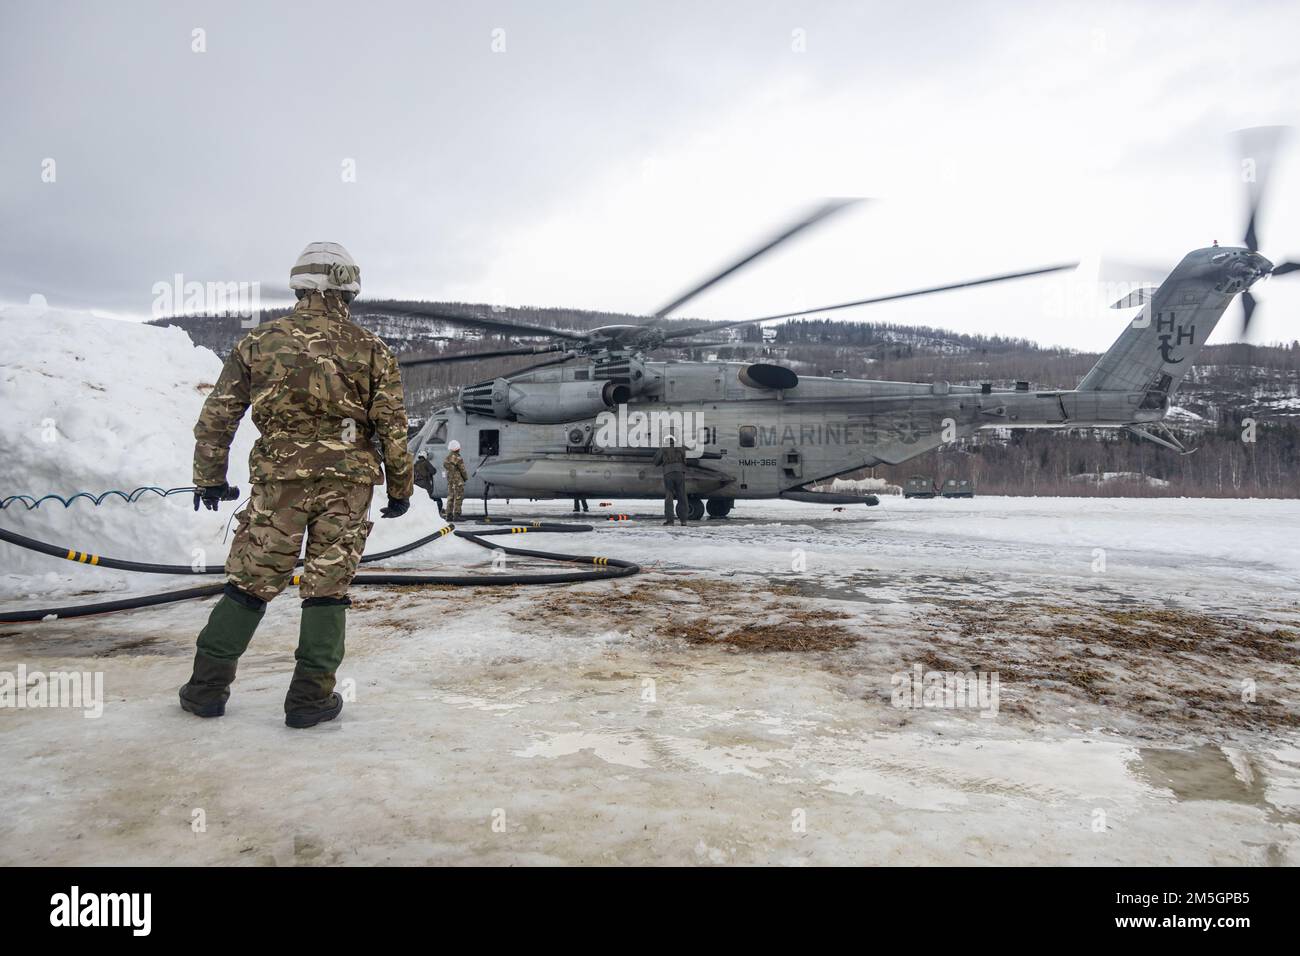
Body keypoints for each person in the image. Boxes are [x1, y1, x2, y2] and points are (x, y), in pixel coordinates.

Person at [179, 241, 413, 729]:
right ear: (348, 287)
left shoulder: (258, 342)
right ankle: (310, 698)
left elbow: (218, 416)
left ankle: (206, 690)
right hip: (348, 484)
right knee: (328, 587)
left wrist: (210, 478)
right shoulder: (372, 348)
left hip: (279, 480)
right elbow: (392, 426)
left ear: (299, 285)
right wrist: (400, 488)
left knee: (250, 582)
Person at [651, 434, 689, 525]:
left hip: (668, 473)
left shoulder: (663, 448)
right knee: (682, 496)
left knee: (669, 496)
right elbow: (688, 459)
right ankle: (683, 520)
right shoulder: (682, 447)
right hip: (680, 473)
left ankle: (670, 521)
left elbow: (656, 462)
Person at [443, 439, 469, 519]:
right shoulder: (458, 458)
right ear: (458, 448)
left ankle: (449, 515)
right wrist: (465, 477)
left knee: (450, 497)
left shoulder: (447, 458)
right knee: (458, 497)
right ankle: (457, 515)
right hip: (458, 481)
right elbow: (462, 469)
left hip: (450, 480)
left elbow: (446, 466)